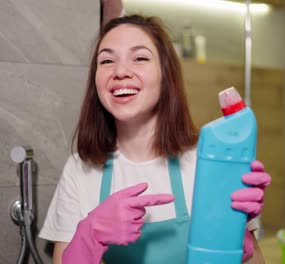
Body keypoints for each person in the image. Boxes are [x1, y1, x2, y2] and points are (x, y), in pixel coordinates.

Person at [39, 14, 271, 264]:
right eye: (106, 60)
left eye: (139, 58)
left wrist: (234, 240)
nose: (120, 71)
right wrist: (90, 235)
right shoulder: (80, 170)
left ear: (165, 75)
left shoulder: (207, 163)